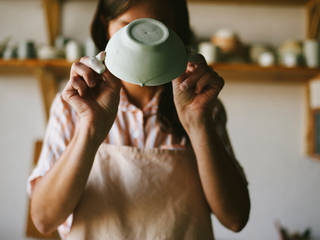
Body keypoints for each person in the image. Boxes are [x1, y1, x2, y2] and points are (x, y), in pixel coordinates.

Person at [27, 0, 250, 239]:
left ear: (176, 32)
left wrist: (198, 123)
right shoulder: (74, 105)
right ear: (106, 26)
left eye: (156, 28)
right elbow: (44, 219)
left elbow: (235, 218)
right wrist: (90, 128)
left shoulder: (202, 105)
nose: (142, 42)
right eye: (127, 27)